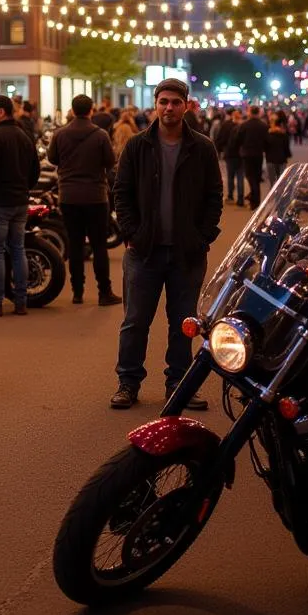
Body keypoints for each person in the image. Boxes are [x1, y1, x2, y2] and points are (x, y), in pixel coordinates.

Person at [111, 78, 222, 411]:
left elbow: (214, 196)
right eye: (164, 102)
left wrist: (203, 236)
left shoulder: (202, 147)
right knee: (135, 321)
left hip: (187, 253)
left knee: (183, 323)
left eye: (175, 102)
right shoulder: (136, 146)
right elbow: (121, 193)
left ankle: (179, 384)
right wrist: (131, 233)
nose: (169, 108)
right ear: (155, 106)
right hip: (144, 251)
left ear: (186, 105)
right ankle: (128, 383)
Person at [47, 94, 121, 307]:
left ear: (72, 110)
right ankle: (104, 292)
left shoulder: (60, 134)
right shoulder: (100, 135)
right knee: (99, 245)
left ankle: (77, 291)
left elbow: (52, 159)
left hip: (68, 196)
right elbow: (110, 161)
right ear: (91, 111)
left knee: (75, 245)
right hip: (96, 196)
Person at [0, 95, 40, 317]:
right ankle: (21, 302)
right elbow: (35, 171)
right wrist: (24, 189)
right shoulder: (24, 135)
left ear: (1, 112)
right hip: (20, 202)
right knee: (18, 249)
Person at [236, 106, 270, 211]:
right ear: (259, 112)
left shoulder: (244, 125)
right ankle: (256, 200)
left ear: (250, 112)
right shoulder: (263, 125)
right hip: (258, 154)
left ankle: (254, 201)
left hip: (247, 154)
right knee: (257, 176)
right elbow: (267, 140)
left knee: (250, 177)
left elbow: (238, 139)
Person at [216, 109, 244, 206]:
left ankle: (230, 196)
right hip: (241, 155)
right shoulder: (243, 126)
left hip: (230, 154)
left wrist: (220, 149)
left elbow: (220, 138)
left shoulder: (226, 125)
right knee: (240, 177)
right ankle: (240, 198)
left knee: (230, 176)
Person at [265, 112, 292, 185]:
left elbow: (265, 147)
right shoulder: (283, 135)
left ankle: (273, 196)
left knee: (273, 183)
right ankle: (281, 196)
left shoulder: (268, 134)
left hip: (270, 160)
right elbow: (286, 148)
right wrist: (287, 156)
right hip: (282, 159)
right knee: (282, 183)